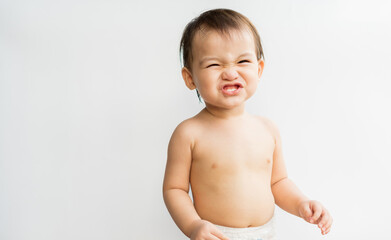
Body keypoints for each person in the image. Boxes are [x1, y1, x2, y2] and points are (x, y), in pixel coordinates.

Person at [162, 8, 332, 240]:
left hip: (266, 233)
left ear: (258, 69)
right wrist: (193, 225)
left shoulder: (267, 129)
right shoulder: (189, 133)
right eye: (214, 65)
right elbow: (175, 190)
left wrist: (301, 203)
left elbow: (279, 182)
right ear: (190, 78)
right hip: (216, 235)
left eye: (242, 61)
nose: (231, 73)